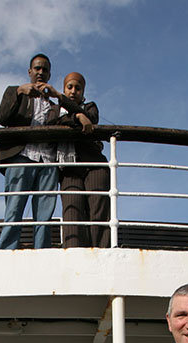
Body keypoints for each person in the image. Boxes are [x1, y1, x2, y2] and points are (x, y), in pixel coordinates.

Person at [0, 54, 61, 250]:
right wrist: (18, 91)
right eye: (37, 68)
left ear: (49, 74)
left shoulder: (54, 105)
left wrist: (58, 95)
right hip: (21, 157)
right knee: (14, 208)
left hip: (48, 162)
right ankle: (7, 251)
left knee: (45, 214)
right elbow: (2, 117)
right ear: (30, 71)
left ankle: (42, 251)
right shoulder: (15, 92)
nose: (41, 72)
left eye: (45, 69)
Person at [48, 71, 110, 248]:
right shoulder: (53, 110)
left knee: (98, 211)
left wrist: (77, 116)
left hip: (94, 165)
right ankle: (74, 253)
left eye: (78, 88)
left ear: (83, 92)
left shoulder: (90, 107)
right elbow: (53, 123)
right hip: (69, 168)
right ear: (63, 89)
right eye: (69, 87)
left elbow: (91, 120)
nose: (73, 91)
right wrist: (76, 117)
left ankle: (101, 252)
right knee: (72, 212)